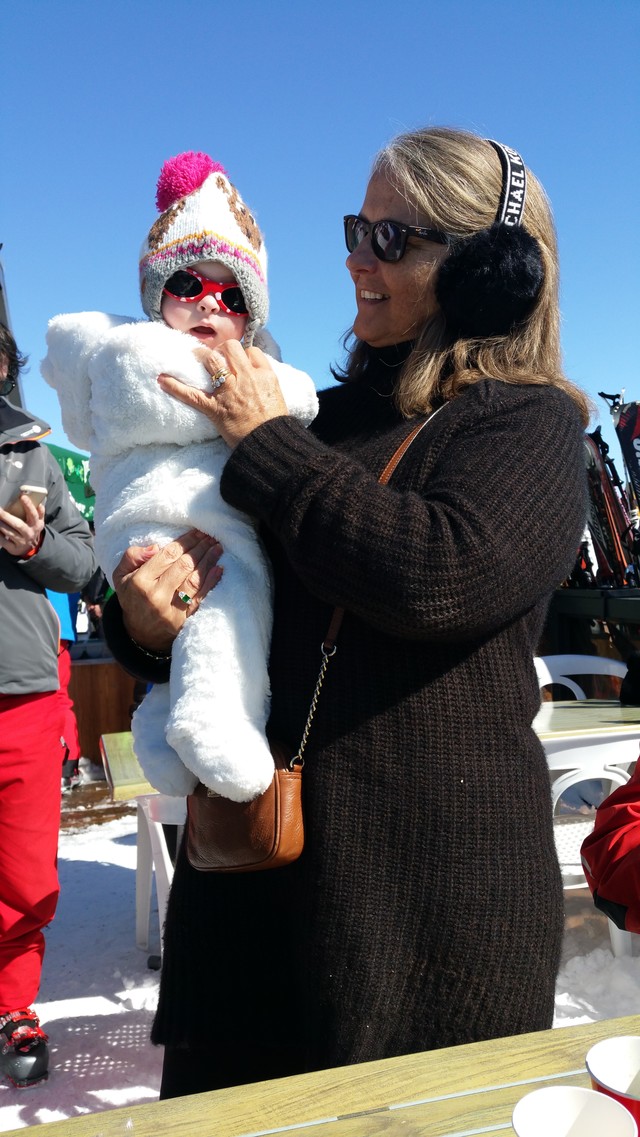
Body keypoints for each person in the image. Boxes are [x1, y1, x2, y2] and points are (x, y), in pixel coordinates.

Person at [104, 126, 589, 1098]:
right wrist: (145, 627)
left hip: (423, 922)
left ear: (484, 272)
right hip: (250, 893)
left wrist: (266, 446)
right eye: (355, 230)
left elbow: (438, 575)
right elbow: (229, 601)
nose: (352, 260)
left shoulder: (530, 425)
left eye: (389, 239)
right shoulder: (307, 417)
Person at [42, 151, 317, 802]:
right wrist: (289, 396)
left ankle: (164, 726)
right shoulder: (146, 355)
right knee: (234, 589)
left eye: (231, 296)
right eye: (188, 285)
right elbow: (285, 399)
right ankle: (213, 719)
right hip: (172, 510)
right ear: (156, 296)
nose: (208, 306)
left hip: (161, 514)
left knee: (199, 616)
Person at [0, 324, 96, 1087]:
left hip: (24, 696)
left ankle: (13, 1005)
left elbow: (91, 568)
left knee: (25, 873)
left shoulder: (33, 456)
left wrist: (35, 547)